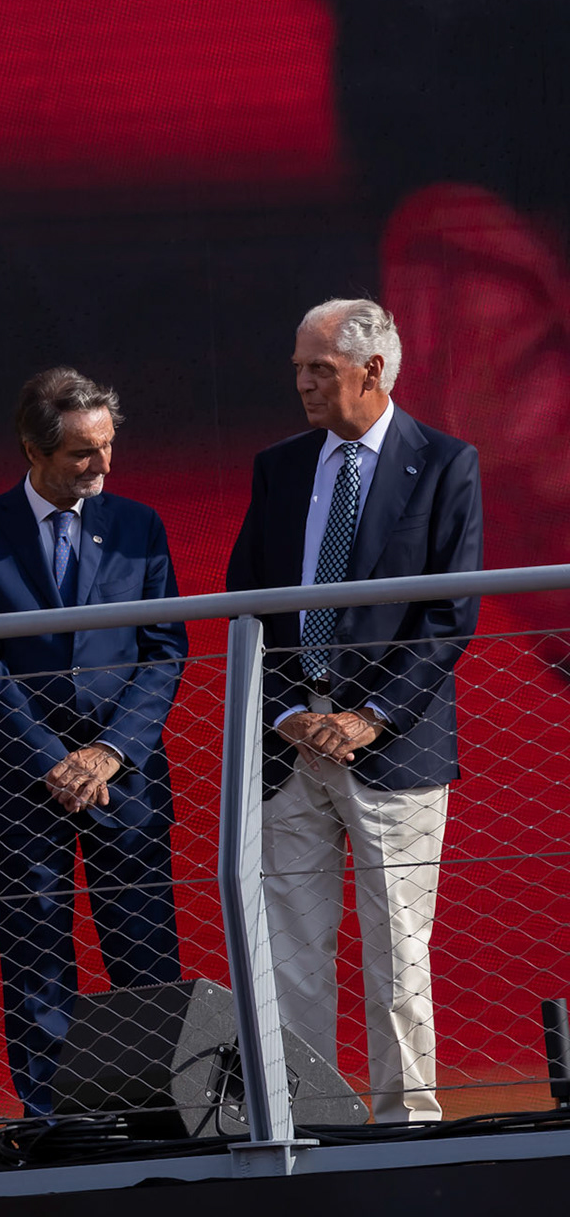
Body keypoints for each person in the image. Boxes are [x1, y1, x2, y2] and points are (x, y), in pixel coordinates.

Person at [224, 298, 483, 1124]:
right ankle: (309, 1122)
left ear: (372, 370)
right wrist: (285, 712)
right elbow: (245, 601)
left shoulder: (444, 463)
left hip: (394, 749)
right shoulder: (279, 467)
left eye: (319, 368)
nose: (301, 383)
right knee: (290, 956)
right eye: (298, 368)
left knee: (397, 955)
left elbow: (450, 616)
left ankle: (406, 1126)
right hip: (291, 745)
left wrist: (370, 716)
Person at [0, 367, 188, 1121]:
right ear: (33, 449)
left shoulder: (139, 525)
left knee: (144, 954)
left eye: (108, 445)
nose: (102, 464)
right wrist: (54, 758)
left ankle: (161, 1117)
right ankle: (55, 1124)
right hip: (24, 780)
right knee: (37, 961)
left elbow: (164, 649)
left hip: (125, 776)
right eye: (83, 451)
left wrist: (109, 752)